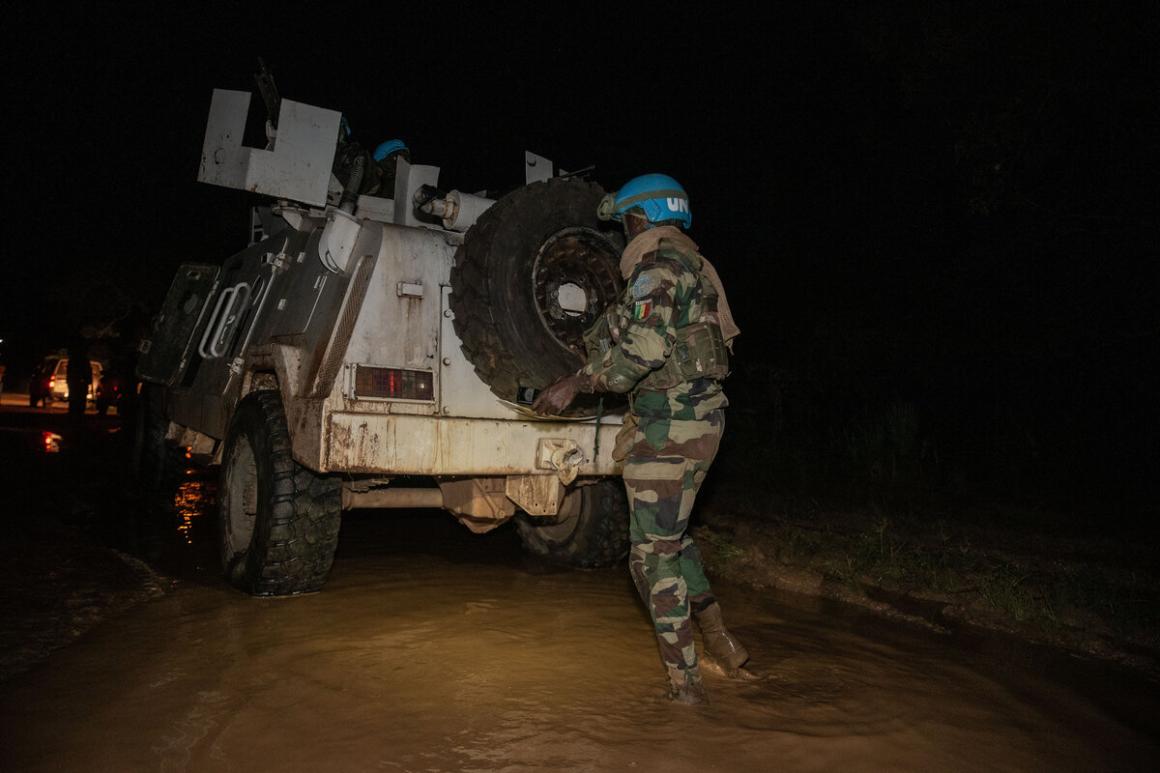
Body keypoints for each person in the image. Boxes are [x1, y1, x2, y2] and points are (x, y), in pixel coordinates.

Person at [533, 173, 748, 704]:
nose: (624, 232)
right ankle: (722, 643)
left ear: (643, 217)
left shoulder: (656, 270)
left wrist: (575, 384)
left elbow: (641, 353)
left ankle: (686, 692)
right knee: (674, 538)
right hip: (703, 421)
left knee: (651, 558)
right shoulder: (697, 268)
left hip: (669, 424)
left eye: (626, 221)